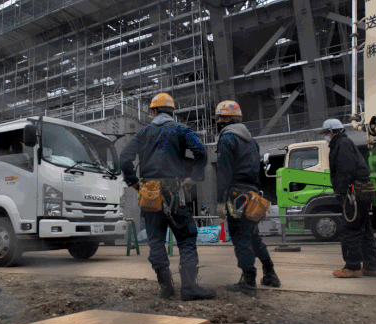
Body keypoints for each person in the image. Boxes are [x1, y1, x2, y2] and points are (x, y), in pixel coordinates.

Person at [120, 93, 216, 301]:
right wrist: (194, 178)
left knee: (155, 240)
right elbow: (200, 151)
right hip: (173, 193)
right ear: (172, 112)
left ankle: (166, 287)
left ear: (153, 111)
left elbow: (124, 157)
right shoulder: (181, 129)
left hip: (149, 196)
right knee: (186, 236)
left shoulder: (143, 133)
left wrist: (135, 183)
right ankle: (189, 288)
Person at [215, 100, 281, 297]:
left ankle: (249, 281)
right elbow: (256, 170)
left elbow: (224, 171)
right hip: (251, 194)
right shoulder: (252, 140)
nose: (217, 121)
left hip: (236, 196)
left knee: (241, 238)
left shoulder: (227, 139)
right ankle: (270, 272)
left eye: (219, 118)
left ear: (226, 119)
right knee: (252, 236)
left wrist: (220, 199)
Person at [322, 118, 376, 278]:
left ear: (334, 131)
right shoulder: (344, 143)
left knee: (349, 230)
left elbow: (344, 170)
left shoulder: (342, 144)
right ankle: (371, 266)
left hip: (353, 193)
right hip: (360, 192)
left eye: (327, 132)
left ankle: (352, 266)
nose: (326, 136)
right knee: (365, 230)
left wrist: (341, 193)